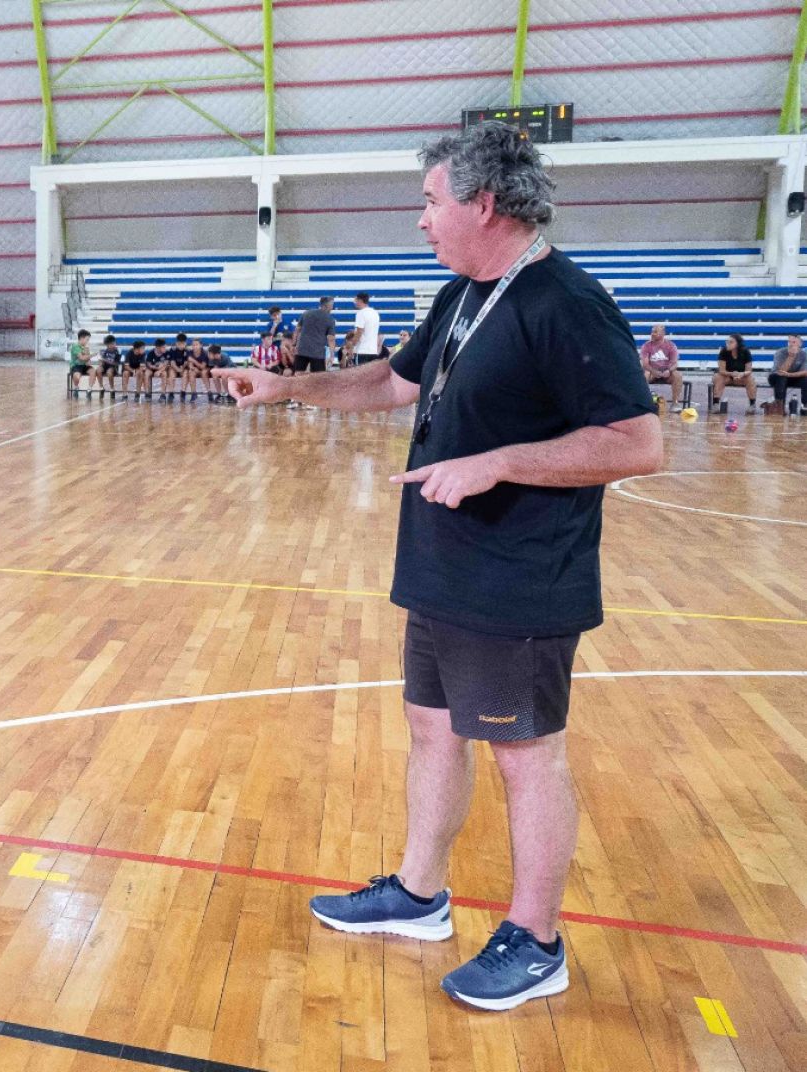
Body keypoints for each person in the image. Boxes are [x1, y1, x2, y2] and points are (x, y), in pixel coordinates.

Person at [216, 122, 662, 1012]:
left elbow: (638, 442)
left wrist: (498, 461)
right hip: (443, 563)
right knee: (431, 729)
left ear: (484, 203)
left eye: (431, 200)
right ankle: (420, 896)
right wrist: (290, 386)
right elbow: (392, 383)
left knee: (525, 758)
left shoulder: (564, 302)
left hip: (519, 578)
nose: (421, 219)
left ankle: (537, 941)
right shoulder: (464, 294)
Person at [638, 324, 681, 410]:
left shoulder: (671, 345)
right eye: (652, 332)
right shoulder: (646, 346)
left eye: (655, 332)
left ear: (663, 333)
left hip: (667, 372)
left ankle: (675, 403)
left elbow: (675, 364)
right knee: (645, 375)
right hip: (652, 372)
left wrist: (668, 370)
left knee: (678, 375)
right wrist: (654, 371)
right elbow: (645, 364)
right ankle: (643, 402)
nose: (652, 334)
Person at [712, 333, 757, 414]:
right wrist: (732, 374)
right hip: (726, 375)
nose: (728, 344)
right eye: (727, 342)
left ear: (738, 343)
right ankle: (715, 404)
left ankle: (752, 404)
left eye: (731, 342)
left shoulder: (745, 351)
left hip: (741, 376)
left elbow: (749, 370)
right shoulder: (723, 351)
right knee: (718, 377)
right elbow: (721, 370)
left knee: (750, 378)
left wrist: (742, 374)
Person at [294, 296, 337, 376]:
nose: (332, 307)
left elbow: (297, 329)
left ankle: (297, 389)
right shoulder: (330, 319)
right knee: (318, 377)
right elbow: (331, 339)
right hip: (317, 352)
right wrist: (332, 355)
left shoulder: (306, 313)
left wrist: (295, 344)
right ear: (326, 305)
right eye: (332, 305)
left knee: (298, 374)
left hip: (302, 349)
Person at [771, 334, 807, 415]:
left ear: (800, 344)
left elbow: (805, 372)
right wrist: (791, 356)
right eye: (789, 342)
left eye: (794, 342)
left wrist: (789, 375)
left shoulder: (804, 354)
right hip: (776, 377)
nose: (791, 344)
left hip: (792, 376)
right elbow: (781, 372)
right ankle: (780, 407)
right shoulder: (780, 352)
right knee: (781, 378)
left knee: (806, 380)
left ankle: (805, 406)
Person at [352, 292, 383, 365]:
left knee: (360, 375)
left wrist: (353, 344)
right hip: (373, 350)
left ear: (359, 300)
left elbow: (359, 331)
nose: (355, 302)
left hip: (362, 350)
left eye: (356, 300)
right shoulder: (375, 313)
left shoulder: (361, 313)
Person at [67, 329, 92, 393]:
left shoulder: (86, 347)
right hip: (76, 366)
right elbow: (82, 358)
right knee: (77, 376)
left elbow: (88, 360)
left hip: (84, 366)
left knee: (93, 371)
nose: (88, 341)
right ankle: (76, 386)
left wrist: (88, 360)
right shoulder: (75, 346)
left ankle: (89, 388)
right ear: (81, 338)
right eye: (87, 339)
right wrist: (91, 356)